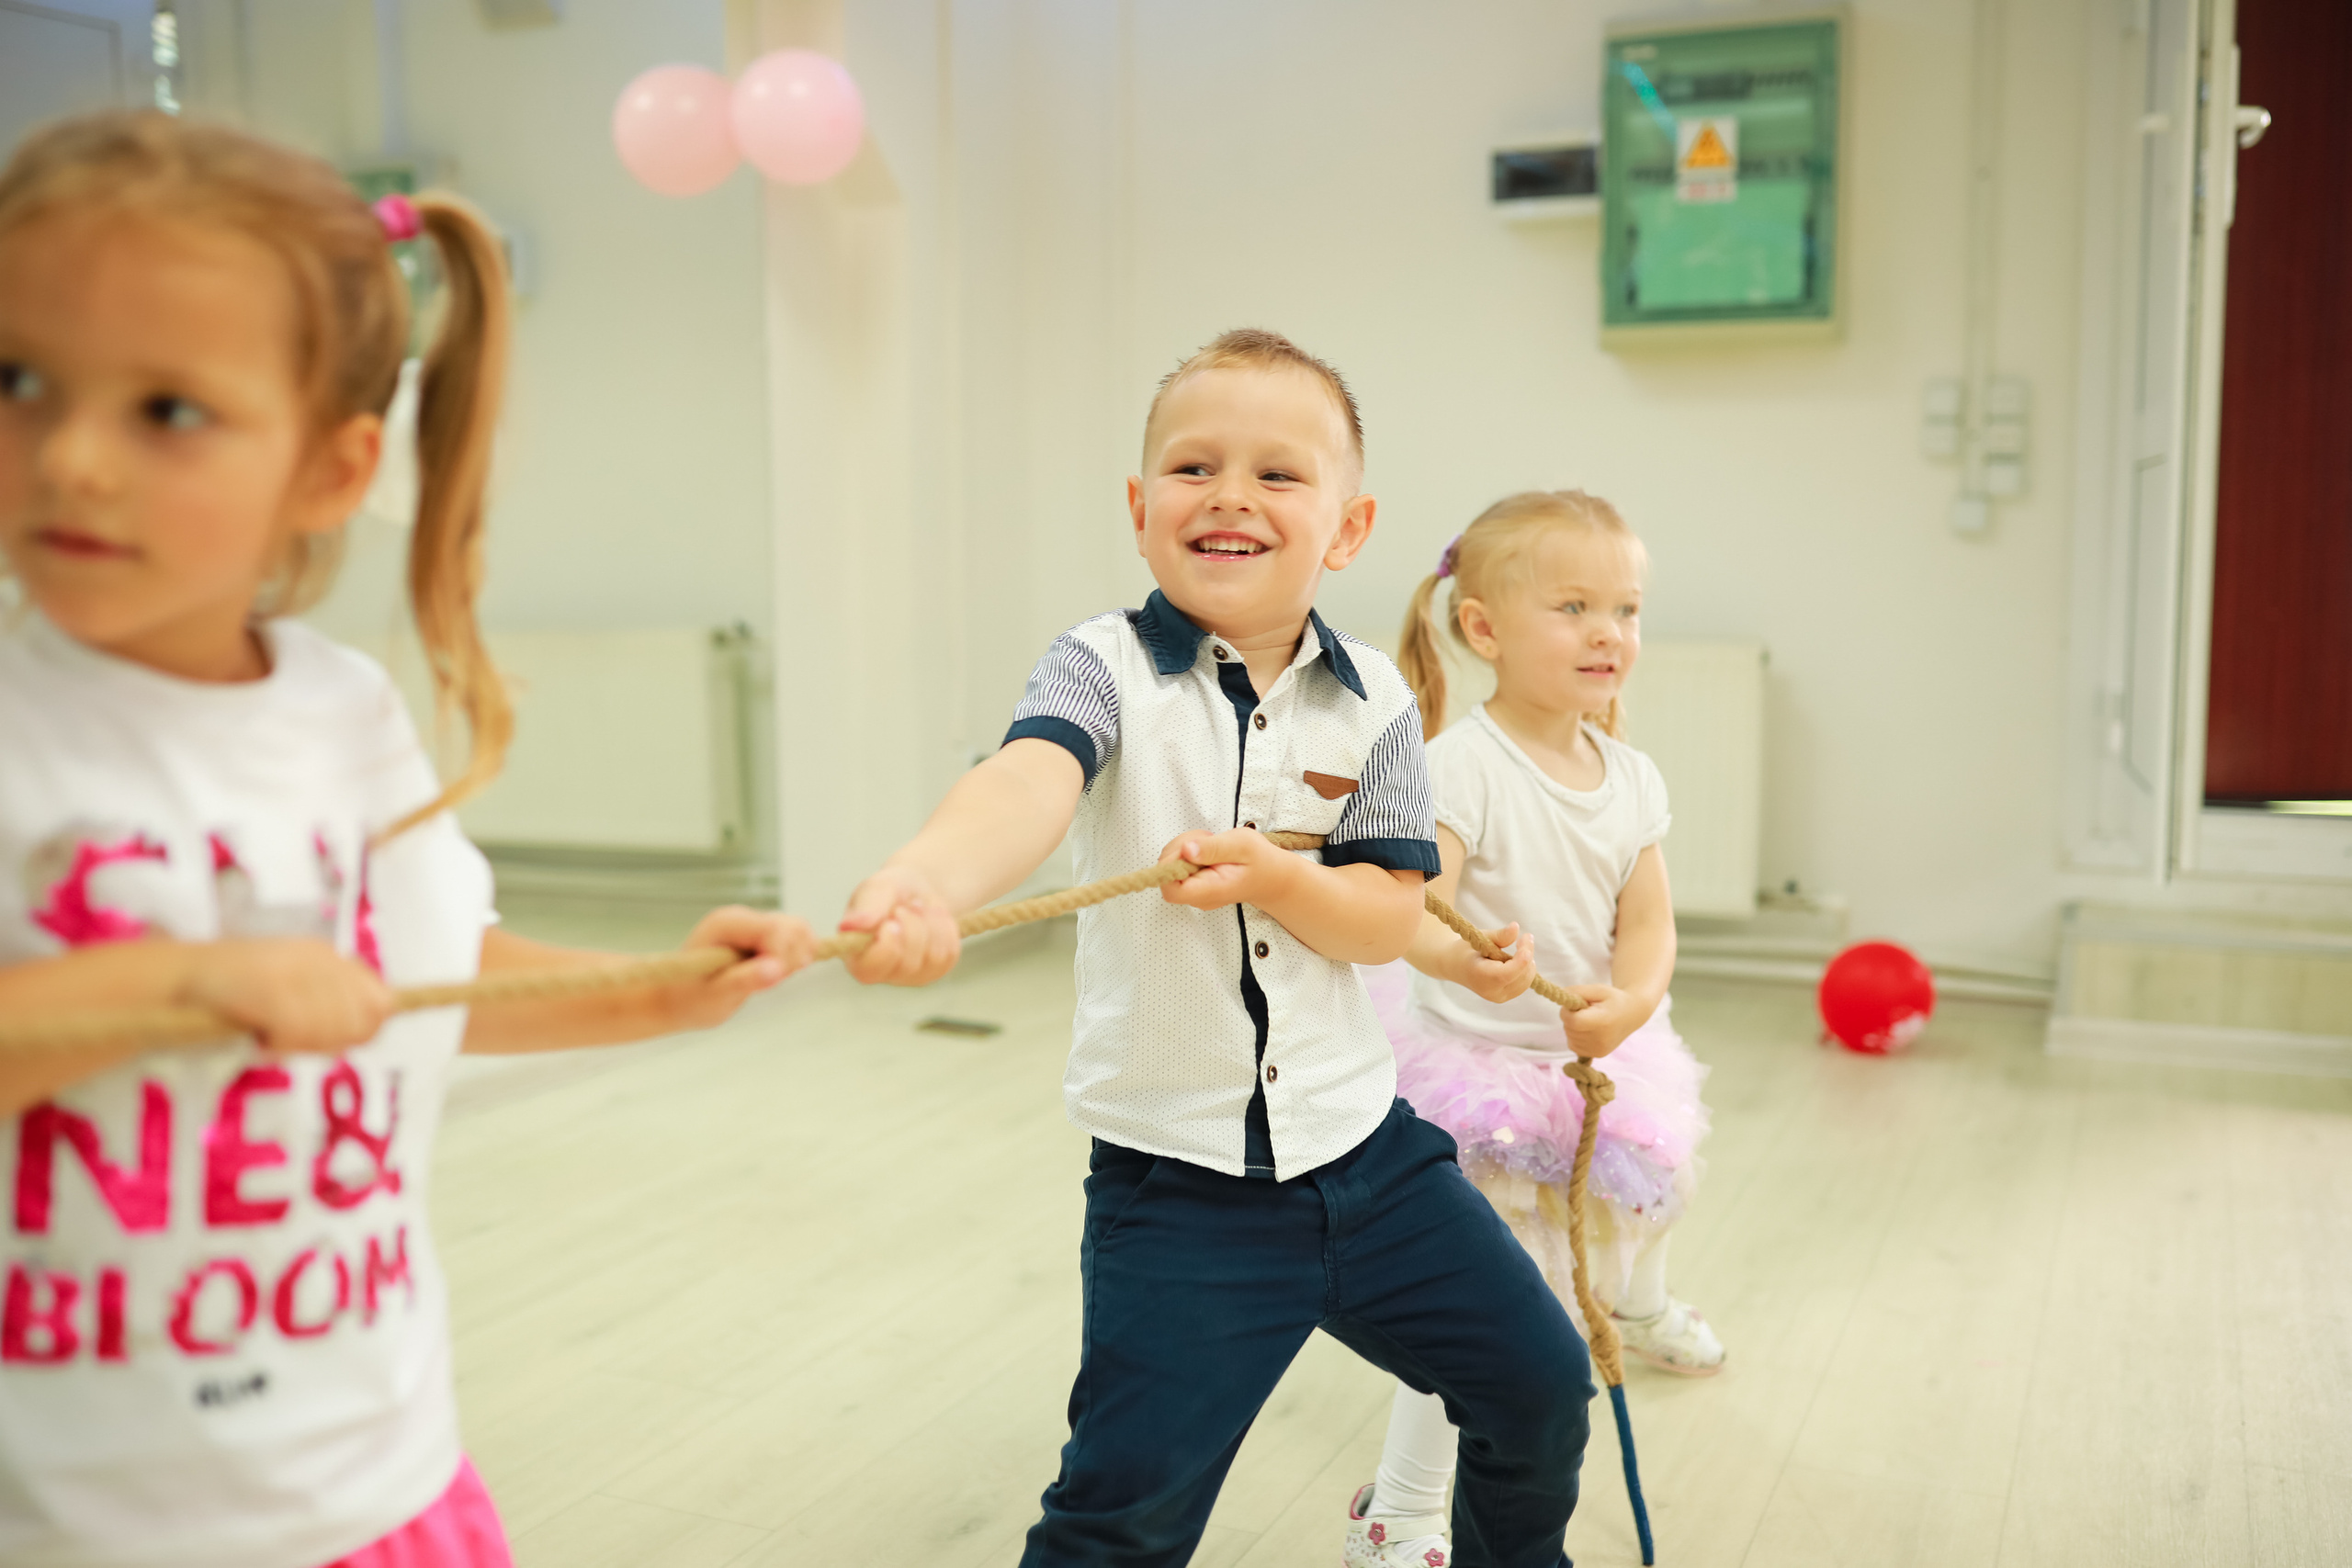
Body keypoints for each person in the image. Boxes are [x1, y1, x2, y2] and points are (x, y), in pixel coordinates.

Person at [0, 112, 816, 1568]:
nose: (70, 456)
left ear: (329, 469)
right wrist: (188, 982)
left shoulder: (345, 712)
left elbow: (436, 970)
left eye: (167, 410)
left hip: (373, 1481)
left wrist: (654, 986)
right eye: (19, 379)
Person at [837, 330, 1594, 1568]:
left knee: (1540, 1385)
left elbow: (1389, 916)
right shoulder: (1104, 665)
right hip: (1179, 1191)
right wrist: (921, 879)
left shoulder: (1381, 704)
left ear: (1346, 528)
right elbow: (1026, 780)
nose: (1232, 493)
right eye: (1194, 467)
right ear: (1142, 511)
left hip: (1374, 1162)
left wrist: (1290, 875)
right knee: (1121, 1515)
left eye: (1278, 474)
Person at [1340, 491, 1719, 1568]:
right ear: (1483, 629)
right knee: (1492, 1308)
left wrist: (1635, 1003)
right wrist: (1469, 960)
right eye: (1573, 607)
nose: (1609, 632)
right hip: (1472, 1071)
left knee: (1624, 1221)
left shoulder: (1629, 775)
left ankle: (1640, 1309)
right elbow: (1412, 910)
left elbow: (1646, 925)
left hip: (1585, 1054)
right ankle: (1402, 1512)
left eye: (1626, 610)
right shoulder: (1460, 765)